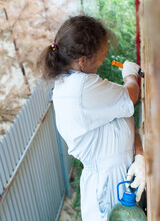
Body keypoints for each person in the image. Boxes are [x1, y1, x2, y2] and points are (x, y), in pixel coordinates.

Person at [37, 15, 146, 221]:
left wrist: (139, 154)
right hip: (107, 189)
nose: (105, 58)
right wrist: (130, 75)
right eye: (102, 54)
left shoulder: (75, 82)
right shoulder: (81, 88)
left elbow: (123, 116)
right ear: (82, 60)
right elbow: (130, 97)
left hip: (117, 176)